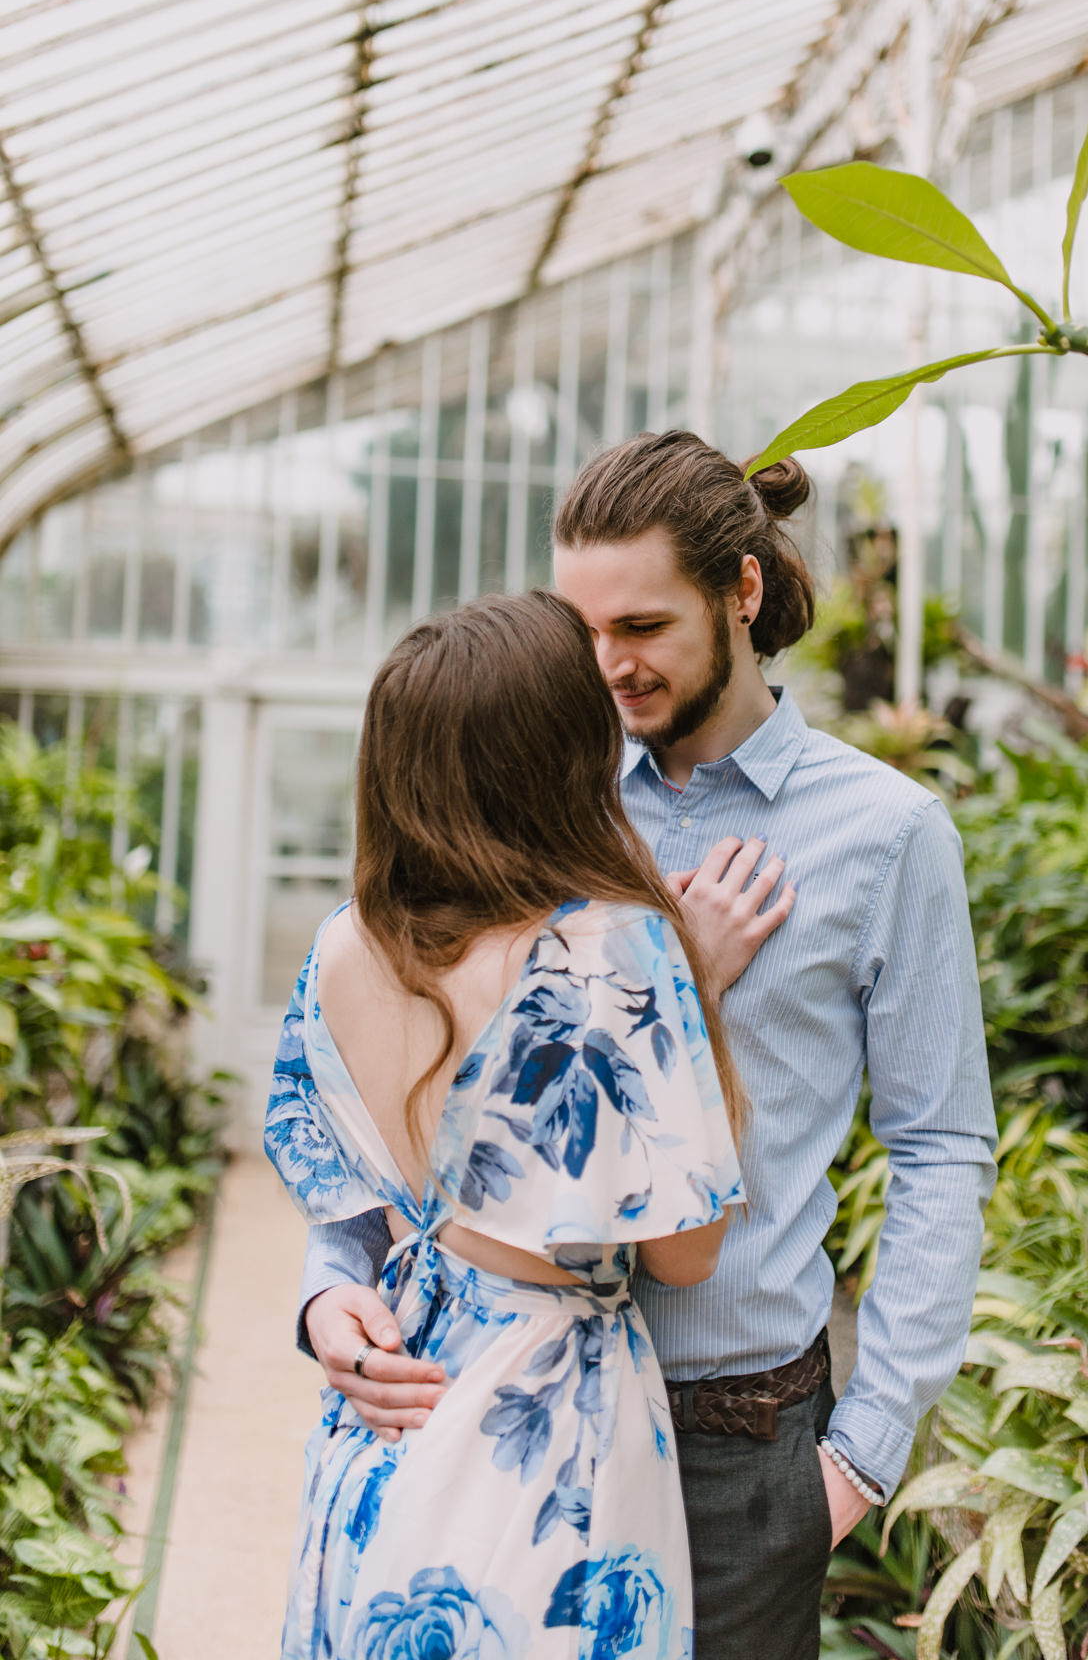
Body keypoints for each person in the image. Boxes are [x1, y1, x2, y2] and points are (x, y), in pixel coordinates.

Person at [296, 432, 998, 1660]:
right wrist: (328, 1286)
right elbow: (406, 1085)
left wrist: (860, 1457)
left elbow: (942, 1147)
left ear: (742, 588)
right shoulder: (524, 792)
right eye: (583, 631)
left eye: (642, 625)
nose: (608, 664)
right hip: (494, 1417)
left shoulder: (888, 835)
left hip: (738, 1447)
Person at [264, 590, 747, 1658]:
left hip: (384, 1424)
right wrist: (694, 995)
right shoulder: (617, 952)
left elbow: (331, 1176)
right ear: (561, 755)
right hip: (544, 1442)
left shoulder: (346, 942)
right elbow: (685, 1249)